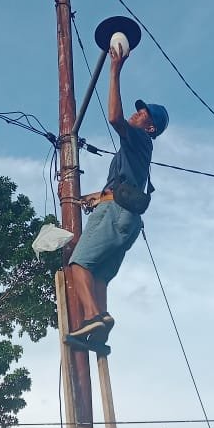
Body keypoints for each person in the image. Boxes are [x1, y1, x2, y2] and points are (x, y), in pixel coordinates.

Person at [66, 41, 169, 350]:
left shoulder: (138, 137)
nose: (136, 116)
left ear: (149, 127)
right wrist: (88, 197)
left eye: (141, 114)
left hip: (115, 215)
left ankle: (93, 316)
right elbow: (119, 187)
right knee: (99, 276)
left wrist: (114, 70)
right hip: (128, 220)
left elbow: (113, 117)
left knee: (78, 264)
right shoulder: (136, 155)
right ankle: (99, 328)